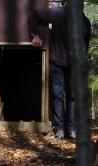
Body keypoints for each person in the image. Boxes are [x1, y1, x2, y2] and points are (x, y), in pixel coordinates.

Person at [28, 1, 91, 139]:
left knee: (73, 98)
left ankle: (72, 129)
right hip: (56, 61)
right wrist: (35, 35)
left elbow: (85, 47)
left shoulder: (85, 22)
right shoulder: (57, 13)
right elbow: (34, 14)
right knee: (57, 95)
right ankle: (60, 129)